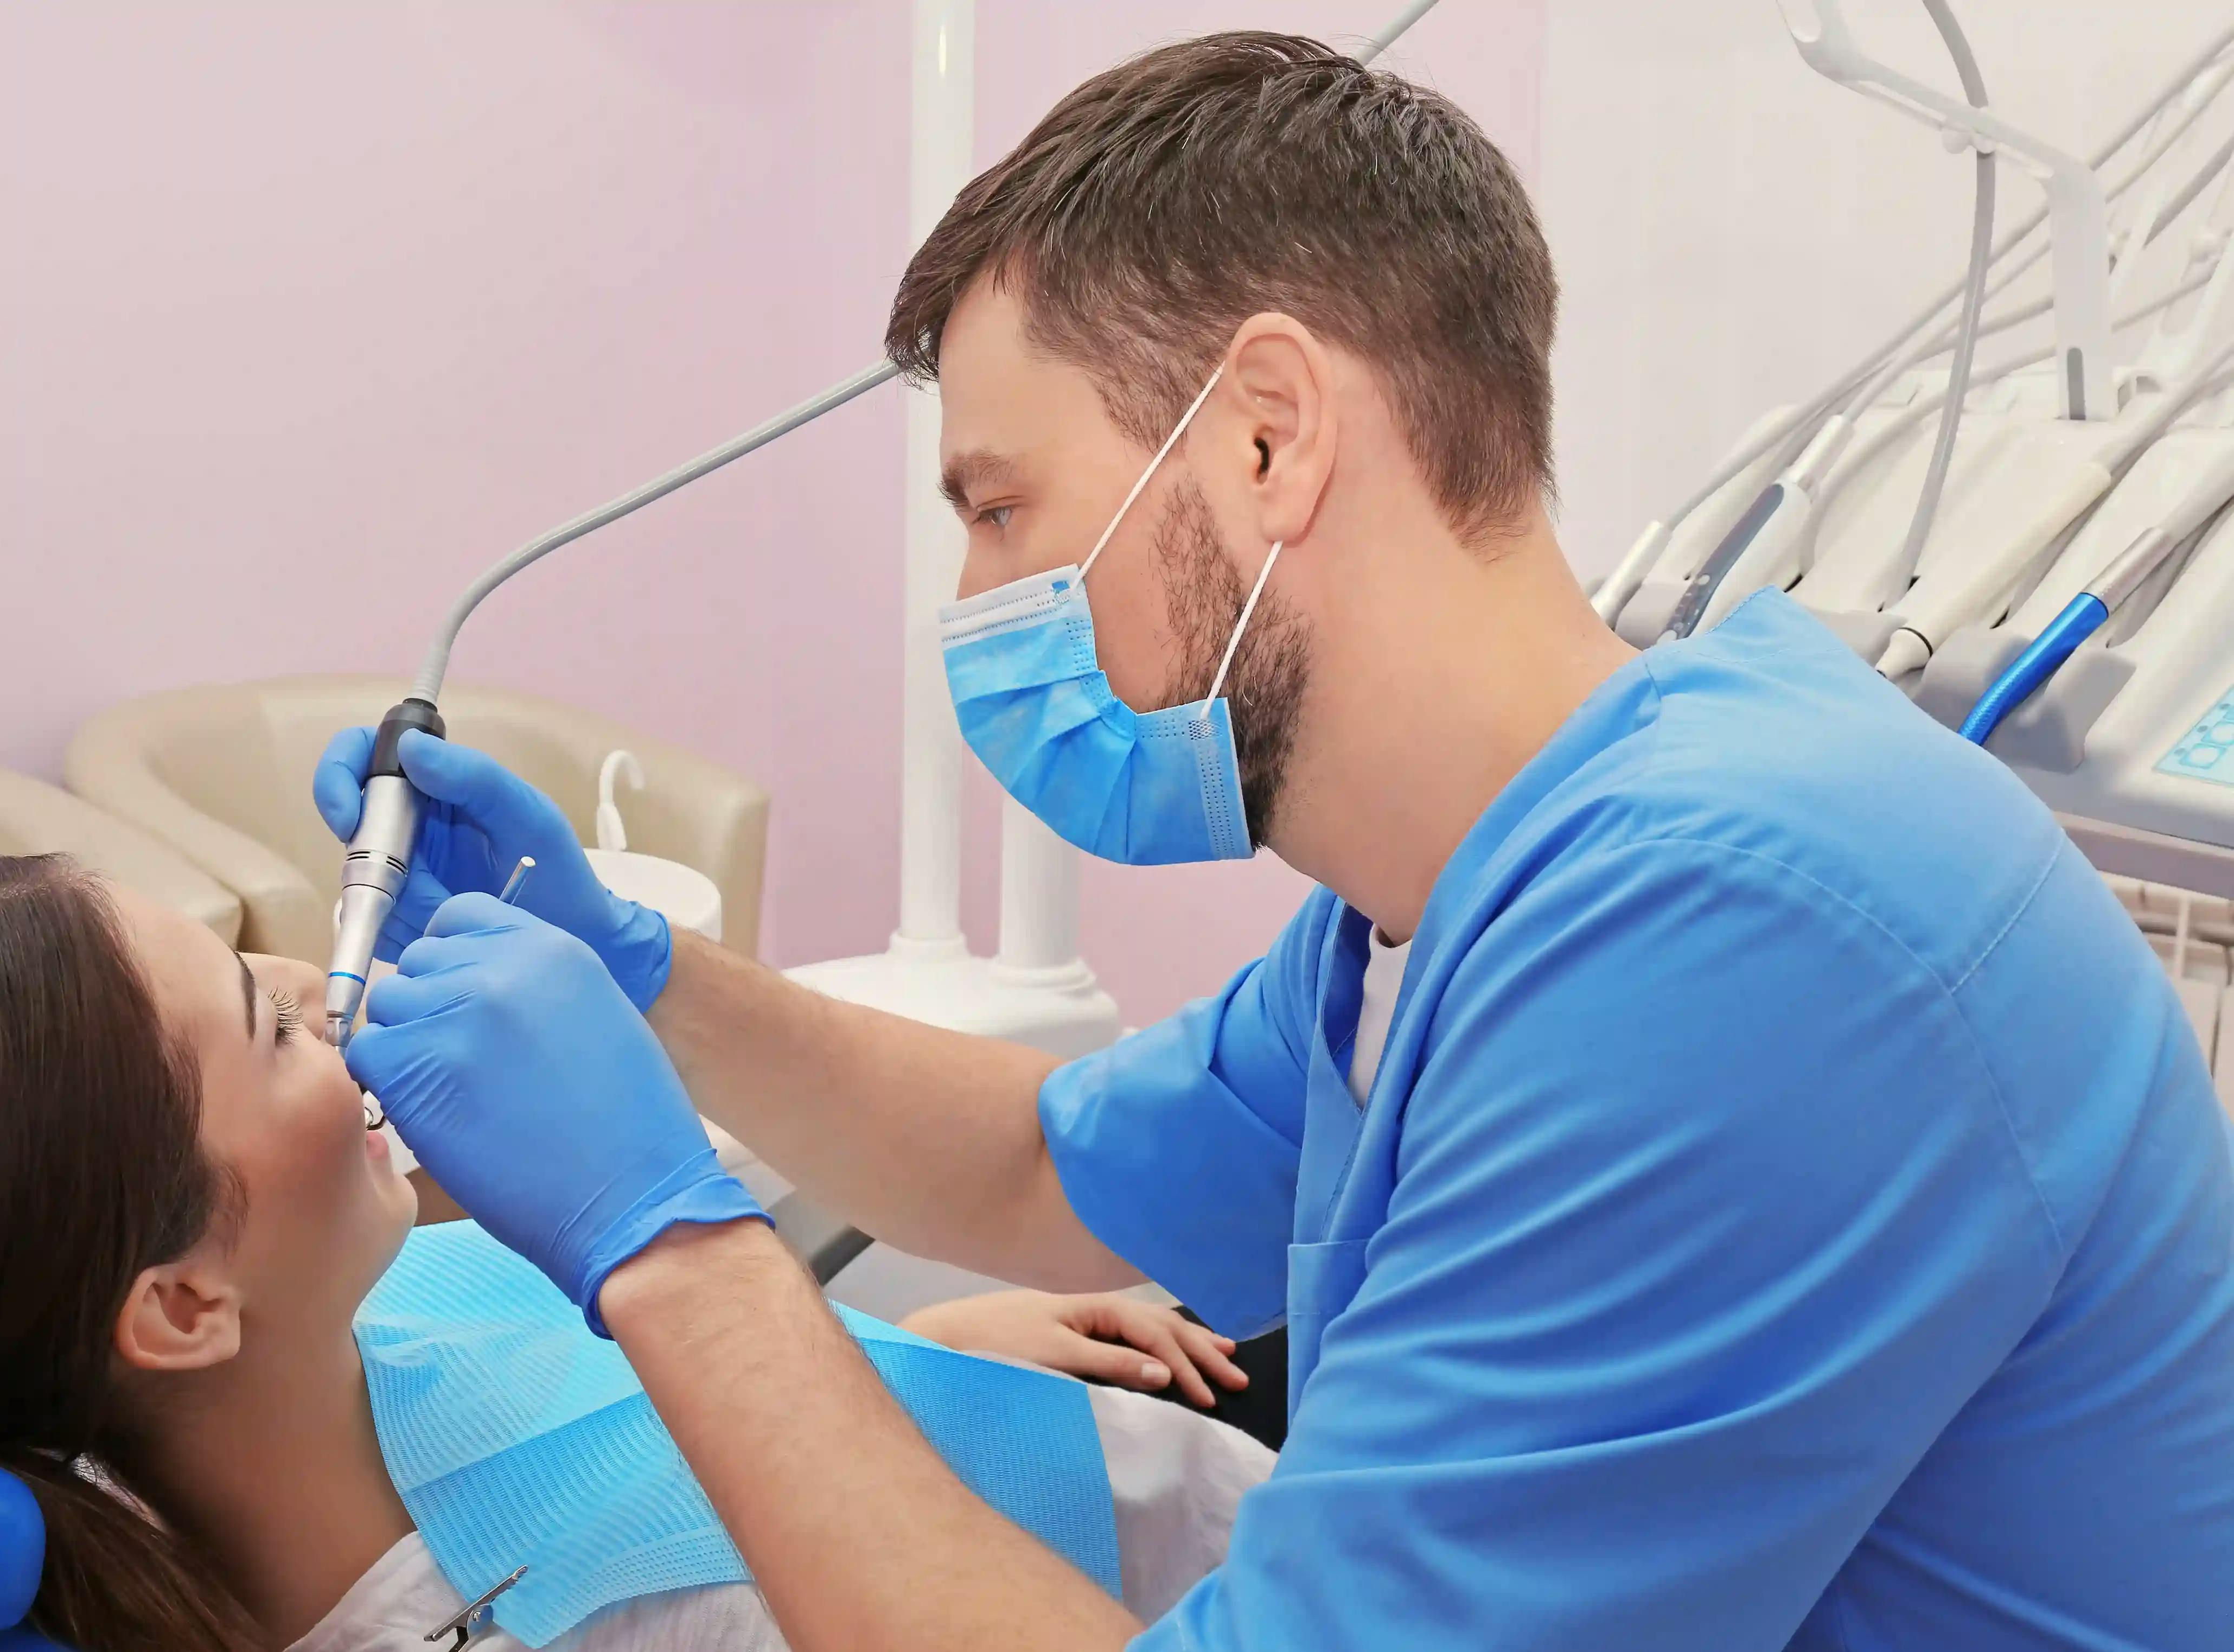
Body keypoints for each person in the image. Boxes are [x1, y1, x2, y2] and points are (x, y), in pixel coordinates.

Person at [320, 31, 2234, 1652]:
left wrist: (679, 1255)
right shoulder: (1444, 903)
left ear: (1262, 438)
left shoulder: (1736, 935)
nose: (979, 601)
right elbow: (1040, 1169)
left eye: (1001, 509)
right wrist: (646, 980)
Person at [0, 856, 1274, 1652]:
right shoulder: (612, 1627)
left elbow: (618, 1403)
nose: (324, 991)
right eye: (264, 1022)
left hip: (1135, 1441)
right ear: (179, 1303)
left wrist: (916, 1362)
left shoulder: (336, 1324)